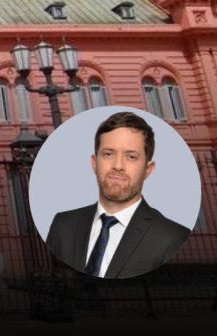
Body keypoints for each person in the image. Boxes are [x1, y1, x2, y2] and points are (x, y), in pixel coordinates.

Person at [45, 111, 191, 279]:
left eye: (131, 156)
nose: (118, 166)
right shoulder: (62, 225)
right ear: (94, 163)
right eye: (108, 154)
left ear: (147, 170)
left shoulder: (172, 236)